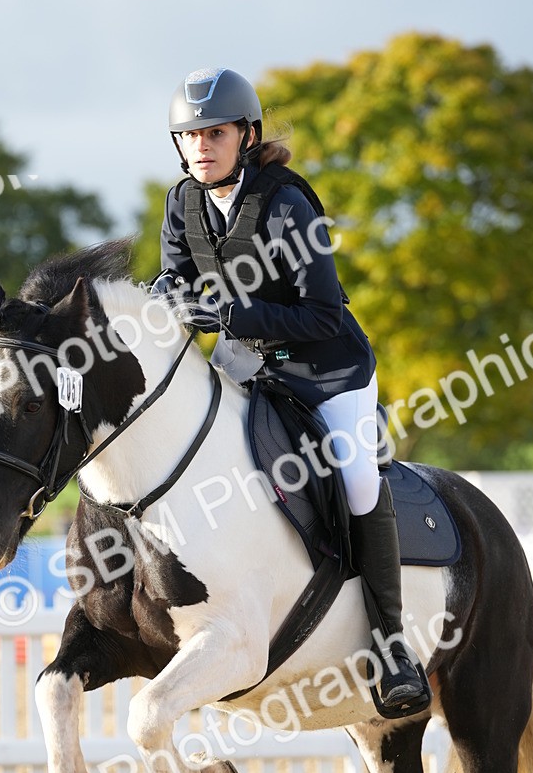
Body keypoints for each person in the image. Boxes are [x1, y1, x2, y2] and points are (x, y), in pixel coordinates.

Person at [153, 66, 430, 716]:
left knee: (359, 479)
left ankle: (391, 647)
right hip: (247, 367)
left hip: (327, 367)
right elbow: (175, 286)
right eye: (189, 135)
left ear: (246, 135)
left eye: (214, 133)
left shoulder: (286, 203)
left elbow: (323, 314)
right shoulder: (181, 203)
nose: (201, 146)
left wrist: (230, 314)